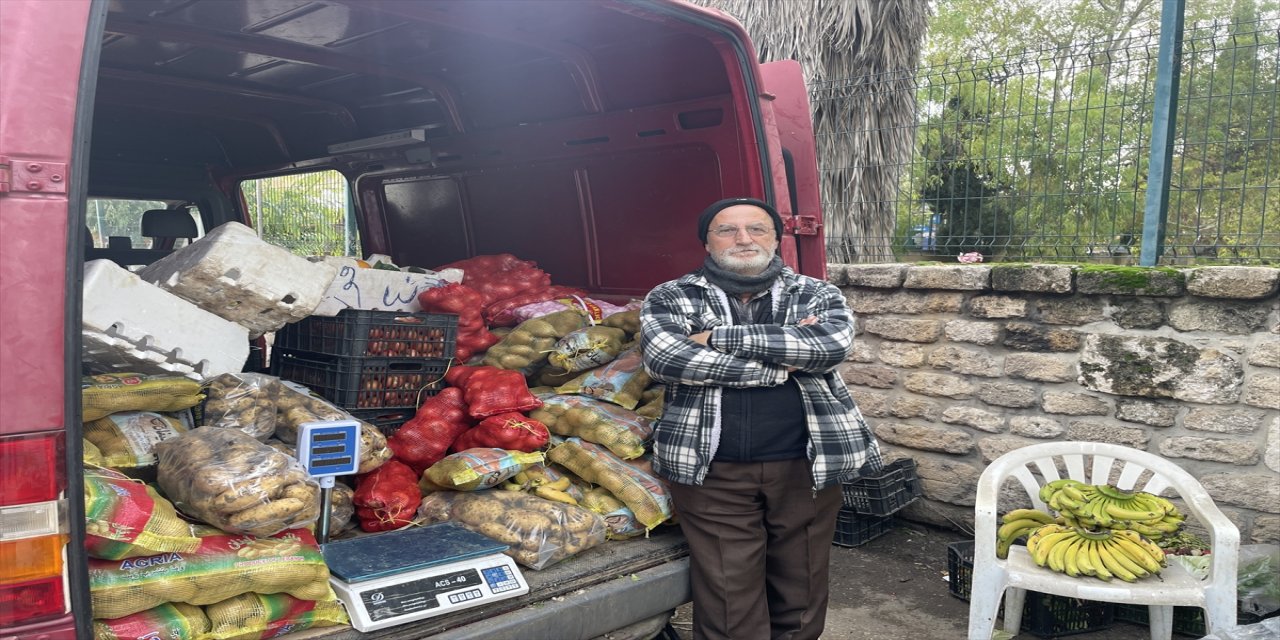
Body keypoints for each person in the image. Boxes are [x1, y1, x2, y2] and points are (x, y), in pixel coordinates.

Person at [639, 197, 881, 640]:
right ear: (707, 243)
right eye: (727, 230)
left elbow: (828, 347)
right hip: (712, 470)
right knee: (729, 595)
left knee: (802, 587)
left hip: (807, 465)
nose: (744, 239)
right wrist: (777, 361)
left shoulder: (817, 292)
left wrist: (716, 337)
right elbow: (666, 358)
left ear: (775, 237)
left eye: (757, 228)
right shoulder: (672, 295)